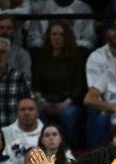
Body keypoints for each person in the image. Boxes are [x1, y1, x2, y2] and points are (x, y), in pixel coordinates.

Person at [32, 20, 86, 149]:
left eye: (61, 34)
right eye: (54, 34)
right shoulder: (40, 58)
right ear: (48, 37)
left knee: (67, 114)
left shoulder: (76, 58)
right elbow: (35, 85)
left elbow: (80, 86)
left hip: (68, 102)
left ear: (66, 37)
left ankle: (70, 148)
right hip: (45, 102)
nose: (57, 37)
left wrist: (64, 104)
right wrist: (43, 102)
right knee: (37, 112)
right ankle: (42, 148)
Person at [1, 97, 43, 164]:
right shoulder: (4, 133)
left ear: (37, 113)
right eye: (22, 109)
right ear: (17, 113)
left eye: (30, 109)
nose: (26, 113)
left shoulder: (48, 133)